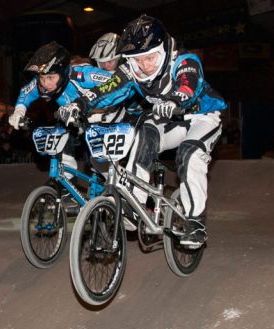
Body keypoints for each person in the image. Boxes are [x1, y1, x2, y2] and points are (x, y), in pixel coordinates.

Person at [56, 14, 227, 248]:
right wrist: (79, 105)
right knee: (143, 133)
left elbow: (189, 83)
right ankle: (133, 204)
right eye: (137, 61)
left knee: (190, 153)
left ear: (164, 50)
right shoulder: (131, 72)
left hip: (201, 117)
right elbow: (106, 89)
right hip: (168, 121)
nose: (144, 67)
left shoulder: (185, 61)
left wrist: (177, 99)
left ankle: (195, 221)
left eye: (150, 59)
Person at [7, 41, 114, 175]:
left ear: (63, 73)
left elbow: (117, 82)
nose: (46, 84)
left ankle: (111, 187)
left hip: (103, 116)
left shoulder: (83, 75)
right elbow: (26, 93)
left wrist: (100, 112)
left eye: (51, 78)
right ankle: (66, 187)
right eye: (42, 77)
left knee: (98, 162)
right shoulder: (44, 80)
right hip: (75, 118)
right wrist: (19, 111)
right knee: (62, 150)